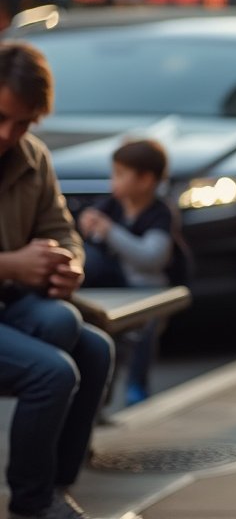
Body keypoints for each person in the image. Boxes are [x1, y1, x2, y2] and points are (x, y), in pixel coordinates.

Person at [0, 42, 113, 519]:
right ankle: (30, 503)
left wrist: (71, 265)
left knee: (92, 346)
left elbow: (60, 229)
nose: (8, 134)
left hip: (14, 306)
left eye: (23, 122)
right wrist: (11, 266)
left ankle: (54, 487)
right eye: (1, 117)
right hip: (11, 294)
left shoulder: (32, 158)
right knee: (53, 371)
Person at [78, 138, 189, 405]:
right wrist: (87, 222)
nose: (113, 182)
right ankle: (102, 395)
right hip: (116, 283)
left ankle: (136, 385)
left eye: (120, 175)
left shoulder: (159, 213)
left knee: (144, 331)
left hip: (149, 286)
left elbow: (151, 258)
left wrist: (109, 231)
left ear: (145, 180)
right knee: (105, 336)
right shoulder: (112, 205)